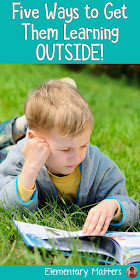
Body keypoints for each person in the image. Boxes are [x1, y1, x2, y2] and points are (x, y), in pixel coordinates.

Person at [0, 78, 139, 236]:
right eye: (66, 149)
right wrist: (30, 169)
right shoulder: (19, 158)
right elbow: (7, 205)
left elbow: (130, 206)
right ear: (35, 140)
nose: (77, 157)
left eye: (84, 145)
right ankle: (20, 125)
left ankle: (27, 122)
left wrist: (113, 205)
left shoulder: (98, 164)